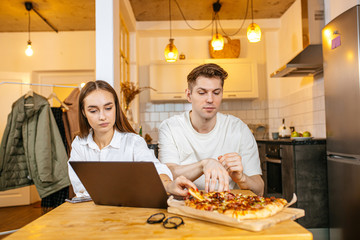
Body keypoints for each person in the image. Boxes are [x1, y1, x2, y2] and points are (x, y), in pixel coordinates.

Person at [68, 80, 196, 198]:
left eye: (108, 108)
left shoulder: (134, 142)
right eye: (93, 111)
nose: (102, 116)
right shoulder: (79, 144)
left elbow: (156, 170)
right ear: (84, 112)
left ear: (116, 108)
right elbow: (80, 189)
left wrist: (169, 185)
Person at [158, 63, 264, 196]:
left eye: (216, 93)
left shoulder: (239, 129)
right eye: (202, 92)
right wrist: (204, 164)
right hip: (184, 205)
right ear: (189, 95)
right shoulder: (170, 127)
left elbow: (259, 190)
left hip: (228, 207)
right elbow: (167, 176)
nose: (210, 99)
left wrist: (241, 178)